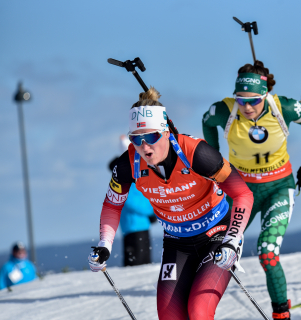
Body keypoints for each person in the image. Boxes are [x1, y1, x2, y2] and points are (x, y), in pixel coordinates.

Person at [87, 87, 253, 320]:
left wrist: (232, 240)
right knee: (169, 316)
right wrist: (105, 244)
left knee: (199, 310)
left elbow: (243, 194)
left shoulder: (196, 153)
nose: (145, 147)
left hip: (218, 234)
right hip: (177, 242)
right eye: (137, 139)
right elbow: (112, 205)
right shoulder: (128, 164)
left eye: (151, 137)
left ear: (165, 132)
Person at [202, 60, 301, 320]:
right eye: (241, 99)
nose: (246, 107)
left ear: (265, 95)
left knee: (267, 252)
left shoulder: (284, 107)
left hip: (279, 188)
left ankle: (281, 312)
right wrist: (214, 163)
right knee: (218, 249)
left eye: (253, 100)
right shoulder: (224, 111)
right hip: (241, 191)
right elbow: (206, 122)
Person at [109, 135, 158, 266]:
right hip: (133, 225)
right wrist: (151, 211)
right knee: (137, 263)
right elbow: (129, 200)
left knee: (143, 261)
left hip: (140, 224)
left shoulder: (134, 174)